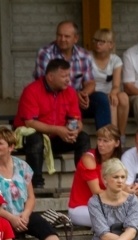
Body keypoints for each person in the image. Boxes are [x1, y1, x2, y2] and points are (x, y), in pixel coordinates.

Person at [14, 58, 91, 189]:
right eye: (64, 76)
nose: (68, 79)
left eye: (69, 75)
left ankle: (83, 180)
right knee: (35, 138)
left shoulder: (70, 92)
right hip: (29, 140)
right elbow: (30, 123)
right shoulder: (32, 90)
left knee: (83, 137)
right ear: (50, 77)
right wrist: (58, 130)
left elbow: (77, 120)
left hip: (56, 138)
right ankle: (36, 184)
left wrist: (74, 130)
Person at [0, 128, 69, 240]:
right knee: (3, 226)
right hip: (3, 215)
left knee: (40, 223)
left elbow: (31, 197)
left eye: (0, 143)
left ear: (11, 147)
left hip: (22, 214)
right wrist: (12, 218)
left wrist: (25, 215)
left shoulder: (22, 166)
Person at [34, 21, 111, 129]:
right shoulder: (45, 53)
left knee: (101, 99)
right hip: (54, 100)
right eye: (59, 35)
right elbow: (46, 83)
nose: (62, 39)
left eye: (67, 36)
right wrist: (74, 96)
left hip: (76, 102)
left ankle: (105, 140)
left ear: (76, 38)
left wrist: (83, 94)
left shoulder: (84, 55)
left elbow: (90, 83)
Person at [69, 125, 123, 226]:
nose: (100, 144)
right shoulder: (89, 158)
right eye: (99, 140)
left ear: (116, 143)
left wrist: (135, 189)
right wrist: (122, 197)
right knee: (114, 218)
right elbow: (97, 192)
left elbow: (122, 187)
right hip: (80, 208)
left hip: (103, 207)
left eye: (105, 141)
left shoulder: (116, 161)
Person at [90, 28, 130, 140]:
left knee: (123, 97)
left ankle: (121, 135)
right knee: (111, 101)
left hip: (110, 91)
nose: (98, 44)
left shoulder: (115, 60)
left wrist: (113, 92)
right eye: (96, 40)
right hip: (94, 95)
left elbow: (116, 84)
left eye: (102, 42)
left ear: (111, 45)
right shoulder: (88, 57)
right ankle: (112, 137)